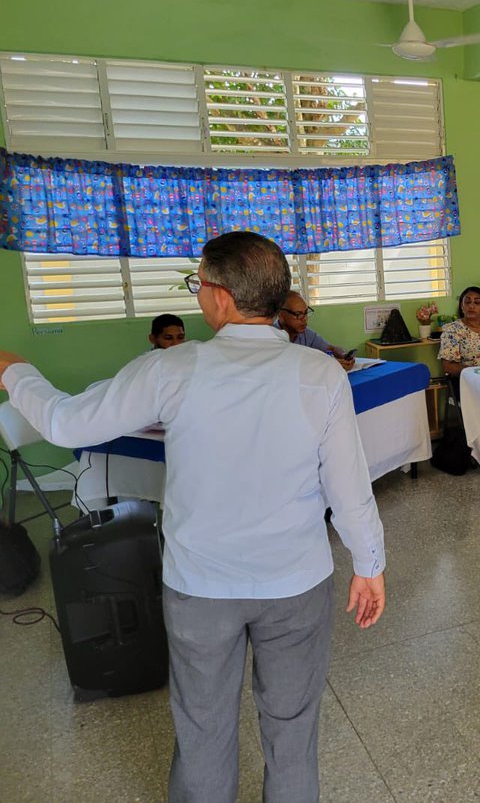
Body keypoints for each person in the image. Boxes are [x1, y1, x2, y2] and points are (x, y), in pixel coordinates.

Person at [0, 231, 386, 802]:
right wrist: (369, 564)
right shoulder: (319, 374)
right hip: (297, 583)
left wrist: (15, 373)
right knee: (293, 732)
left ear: (222, 298)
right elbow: (349, 486)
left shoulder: (173, 369)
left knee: (203, 733)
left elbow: (66, 424)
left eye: (198, 284)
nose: (197, 295)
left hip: (201, 588)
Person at [277, 291, 355, 371]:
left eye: (306, 313)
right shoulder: (270, 336)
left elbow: (331, 349)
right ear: (281, 315)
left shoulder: (306, 333)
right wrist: (329, 364)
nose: (304, 319)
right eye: (298, 314)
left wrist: (344, 356)